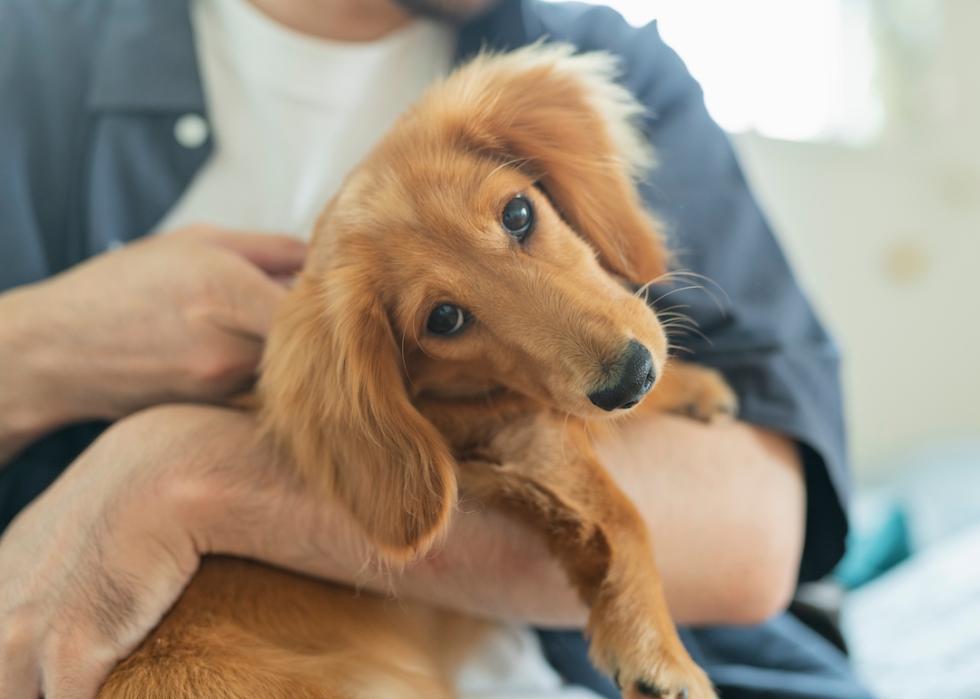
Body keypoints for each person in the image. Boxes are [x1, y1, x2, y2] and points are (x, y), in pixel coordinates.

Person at [0, 0, 872, 697]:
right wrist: (37, 346)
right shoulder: (27, 53)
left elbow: (759, 532)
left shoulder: (587, 57)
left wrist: (186, 478)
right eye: (444, 321)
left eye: (520, 216)